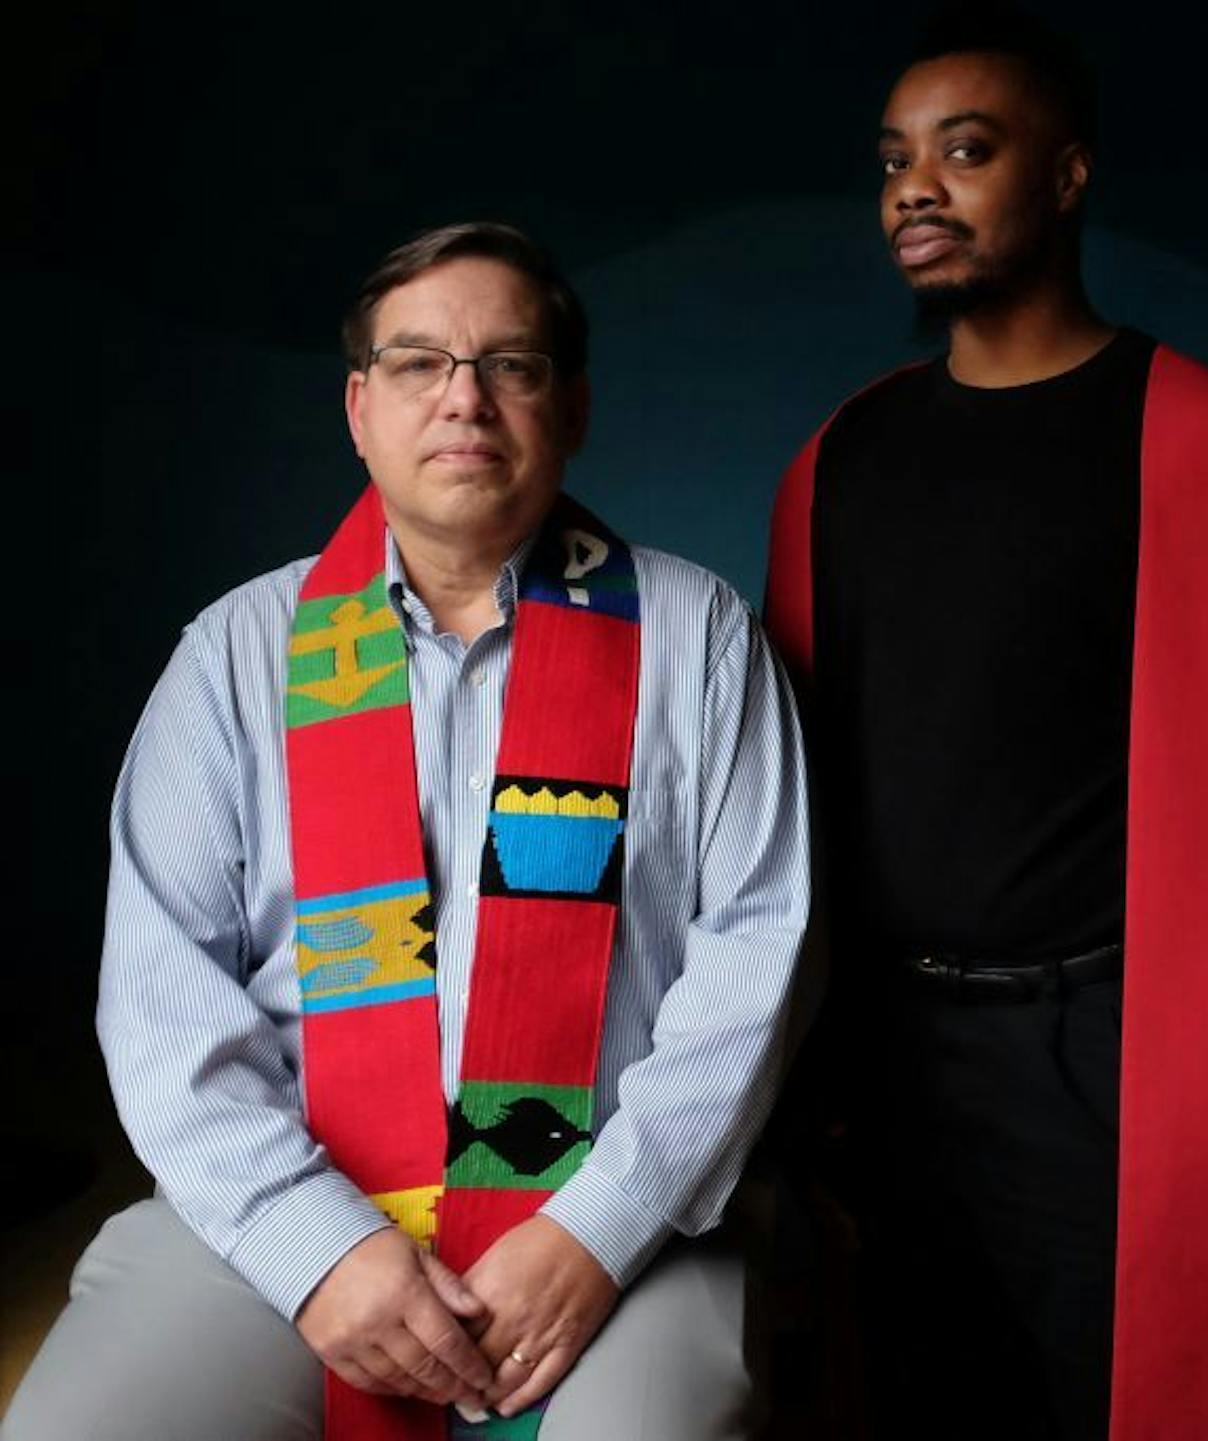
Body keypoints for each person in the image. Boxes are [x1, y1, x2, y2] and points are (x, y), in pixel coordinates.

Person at [4, 222, 808, 1441]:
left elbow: (760, 955)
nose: (464, 399)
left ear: (573, 405)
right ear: (358, 408)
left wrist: (599, 1227)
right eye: (418, 362)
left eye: (512, 365)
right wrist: (318, 1249)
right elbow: (162, 1001)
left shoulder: (700, 641)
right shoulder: (233, 657)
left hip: (606, 1214)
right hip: (285, 1202)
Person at [764, 9, 1208, 1438]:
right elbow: (791, 767)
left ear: (1071, 176)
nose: (918, 187)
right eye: (896, 159)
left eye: (966, 151)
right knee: (923, 1394)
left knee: (1142, 1401)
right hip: (892, 1044)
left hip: (1108, 1044)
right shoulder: (842, 460)